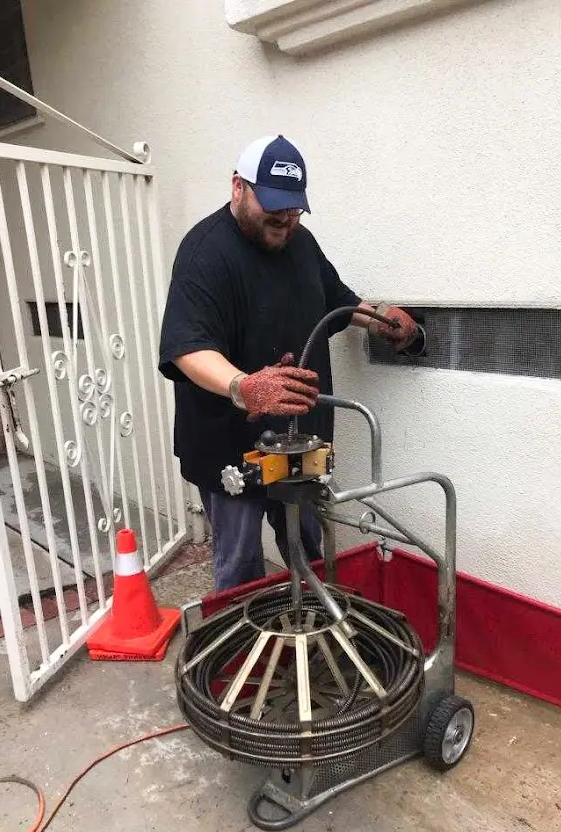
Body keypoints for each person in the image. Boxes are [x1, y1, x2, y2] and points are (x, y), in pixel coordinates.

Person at [158, 134, 418, 590]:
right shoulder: (205, 252)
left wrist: (381, 320)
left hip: (302, 442)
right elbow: (187, 346)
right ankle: (243, 632)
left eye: (294, 209)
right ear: (238, 187)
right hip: (231, 447)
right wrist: (244, 386)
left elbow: (338, 300)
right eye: (274, 207)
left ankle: (311, 626)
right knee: (241, 568)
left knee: (312, 553)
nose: (284, 220)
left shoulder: (301, 243)